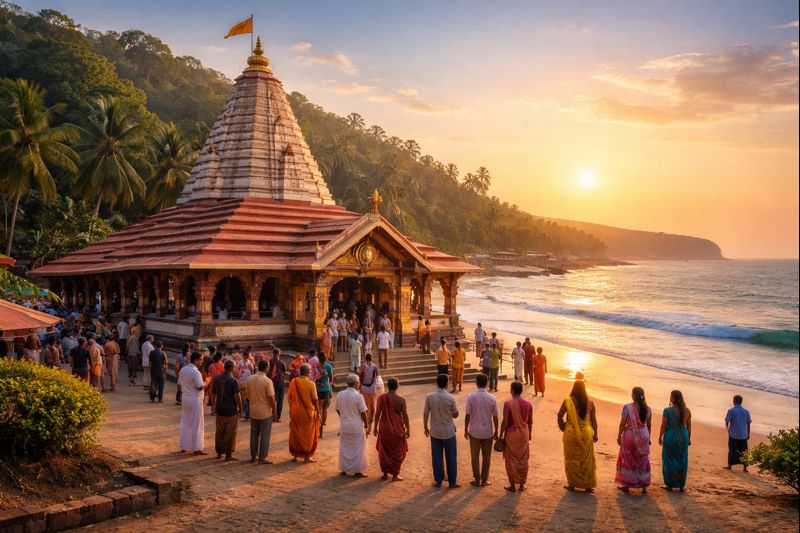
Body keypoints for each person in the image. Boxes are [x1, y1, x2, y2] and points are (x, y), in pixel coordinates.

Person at [557, 380, 598, 492]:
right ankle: (588, 486)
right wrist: (596, 434)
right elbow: (594, 421)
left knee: (571, 460)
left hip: (570, 433)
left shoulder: (568, 401)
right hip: (586, 433)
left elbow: (560, 415)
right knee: (586, 460)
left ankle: (572, 485)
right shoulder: (590, 403)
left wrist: (563, 427)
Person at [423, 373, 460, 488]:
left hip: (435, 431)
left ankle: (438, 480)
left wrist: (425, 427)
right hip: (448, 431)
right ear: (446, 384)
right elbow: (455, 414)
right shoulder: (450, 398)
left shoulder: (430, 397)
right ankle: (452, 481)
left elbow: (425, 414)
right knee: (451, 457)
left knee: (437, 456)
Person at [615, 387, 652, 492]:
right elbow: (649, 425)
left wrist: (619, 436)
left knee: (628, 459)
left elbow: (622, 423)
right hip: (644, 435)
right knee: (642, 459)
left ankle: (627, 485)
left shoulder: (627, 407)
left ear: (634, 395)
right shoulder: (648, 409)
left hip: (630, 435)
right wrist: (648, 437)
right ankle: (644, 486)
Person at [464, 373, 499, 487]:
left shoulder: (471, 397)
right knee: (486, 457)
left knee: (474, 456)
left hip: (474, 430)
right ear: (487, 383)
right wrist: (496, 430)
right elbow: (495, 416)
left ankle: (477, 479)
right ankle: (484, 480)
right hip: (487, 431)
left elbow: (468, 415)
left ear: (477, 383)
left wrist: (465, 429)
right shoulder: (492, 398)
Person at [499, 381, 533, 492]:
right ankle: (522, 484)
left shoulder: (508, 404)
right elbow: (530, 422)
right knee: (523, 459)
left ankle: (512, 485)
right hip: (524, 433)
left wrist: (500, 434)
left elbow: (505, 421)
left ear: (512, 390)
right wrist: (530, 434)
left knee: (511, 459)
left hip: (512, 434)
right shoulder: (528, 404)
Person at [374, 377, 410, 481]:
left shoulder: (381, 398)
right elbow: (405, 416)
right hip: (397, 429)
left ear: (387, 386)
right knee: (397, 451)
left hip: (384, 428)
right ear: (397, 386)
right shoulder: (401, 400)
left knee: (384, 451)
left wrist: (375, 427)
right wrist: (408, 429)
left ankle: (385, 473)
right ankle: (395, 475)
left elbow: (377, 414)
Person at [336, 374, 370, 477]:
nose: (359, 384)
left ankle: (344, 470)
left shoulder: (340, 394)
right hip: (356, 425)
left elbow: (337, 409)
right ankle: (357, 471)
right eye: (359, 382)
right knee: (358, 448)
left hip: (344, 425)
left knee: (344, 447)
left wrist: (344, 416)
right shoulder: (358, 396)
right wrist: (366, 424)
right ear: (355, 384)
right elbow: (363, 412)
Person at [659, 390, 691, 491]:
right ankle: (681, 485)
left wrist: (660, 437)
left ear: (673, 398)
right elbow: (689, 426)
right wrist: (688, 439)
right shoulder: (687, 411)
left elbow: (663, 426)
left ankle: (669, 485)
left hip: (671, 436)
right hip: (683, 437)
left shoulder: (667, 410)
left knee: (668, 460)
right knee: (682, 460)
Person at [287, 363, 320, 463]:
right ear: (308, 372)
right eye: (310, 371)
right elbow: (315, 400)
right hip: (308, 413)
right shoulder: (311, 384)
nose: (311, 372)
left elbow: (289, 397)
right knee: (308, 435)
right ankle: (307, 456)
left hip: (295, 411)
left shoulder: (294, 381)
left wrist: (292, 408)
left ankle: (295, 455)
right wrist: (318, 412)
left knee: (295, 432)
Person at [245, 359, 276, 464]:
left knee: (254, 434)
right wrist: (275, 411)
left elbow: (247, 396)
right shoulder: (267, 381)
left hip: (253, 411)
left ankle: (253, 456)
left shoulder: (250, 379)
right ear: (267, 368)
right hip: (265, 412)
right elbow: (271, 398)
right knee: (265, 435)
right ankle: (262, 458)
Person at [179, 352, 210, 455]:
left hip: (185, 397)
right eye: (201, 360)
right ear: (196, 360)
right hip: (194, 398)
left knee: (186, 421)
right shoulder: (195, 372)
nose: (202, 362)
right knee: (197, 423)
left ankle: (184, 446)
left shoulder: (183, 369)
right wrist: (207, 381)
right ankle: (196, 448)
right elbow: (200, 386)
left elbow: (179, 384)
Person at [211, 360, 242, 461]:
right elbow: (237, 396)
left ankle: (219, 453)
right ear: (232, 368)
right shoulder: (234, 381)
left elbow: (213, 394)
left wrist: (214, 406)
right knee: (230, 432)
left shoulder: (217, 379)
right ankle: (228, 455)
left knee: (219, 431)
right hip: (231, 410)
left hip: (220, 408)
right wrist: (240, 408)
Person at [724, 395, 751, 472]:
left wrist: (728, 430)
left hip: (733, 434)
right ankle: (745, 468)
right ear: (741, 402)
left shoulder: (731, 410)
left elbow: (727, 421)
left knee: (732, 450)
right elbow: (748, 423)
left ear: (734, 401)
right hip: (743, 434)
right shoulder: (746, 411)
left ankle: (730, 466)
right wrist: (748, 434)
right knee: (744, 451)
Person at [314, 352, 334, 438]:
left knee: (318, 408)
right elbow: (331, 379)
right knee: (324, 408)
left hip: (317, 389)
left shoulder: (315, 366)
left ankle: (318, 426)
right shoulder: (329, 366)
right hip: (326, 389)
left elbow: (314, 377)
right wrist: (328, 386)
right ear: (325, 359)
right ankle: (322, 425)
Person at [359, 354, 380, 432]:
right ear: (372, 359)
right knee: (372, 407)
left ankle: (365, 425)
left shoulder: (363, 366)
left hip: (363, 389)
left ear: (365, 359)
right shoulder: (375, 367)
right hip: (372, 390)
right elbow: (377, 377)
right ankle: (370, 426)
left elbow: (360, 376)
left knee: (365, 407)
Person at [268, 349, 287, 422]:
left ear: (273, 354)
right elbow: (284, 372)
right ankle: (278, 417)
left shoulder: (270, 362)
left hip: (272, 382)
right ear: (279, 354)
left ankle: (272, 415)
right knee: (280, 400)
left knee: (272, 399)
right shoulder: (282, 363)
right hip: (280, 382)